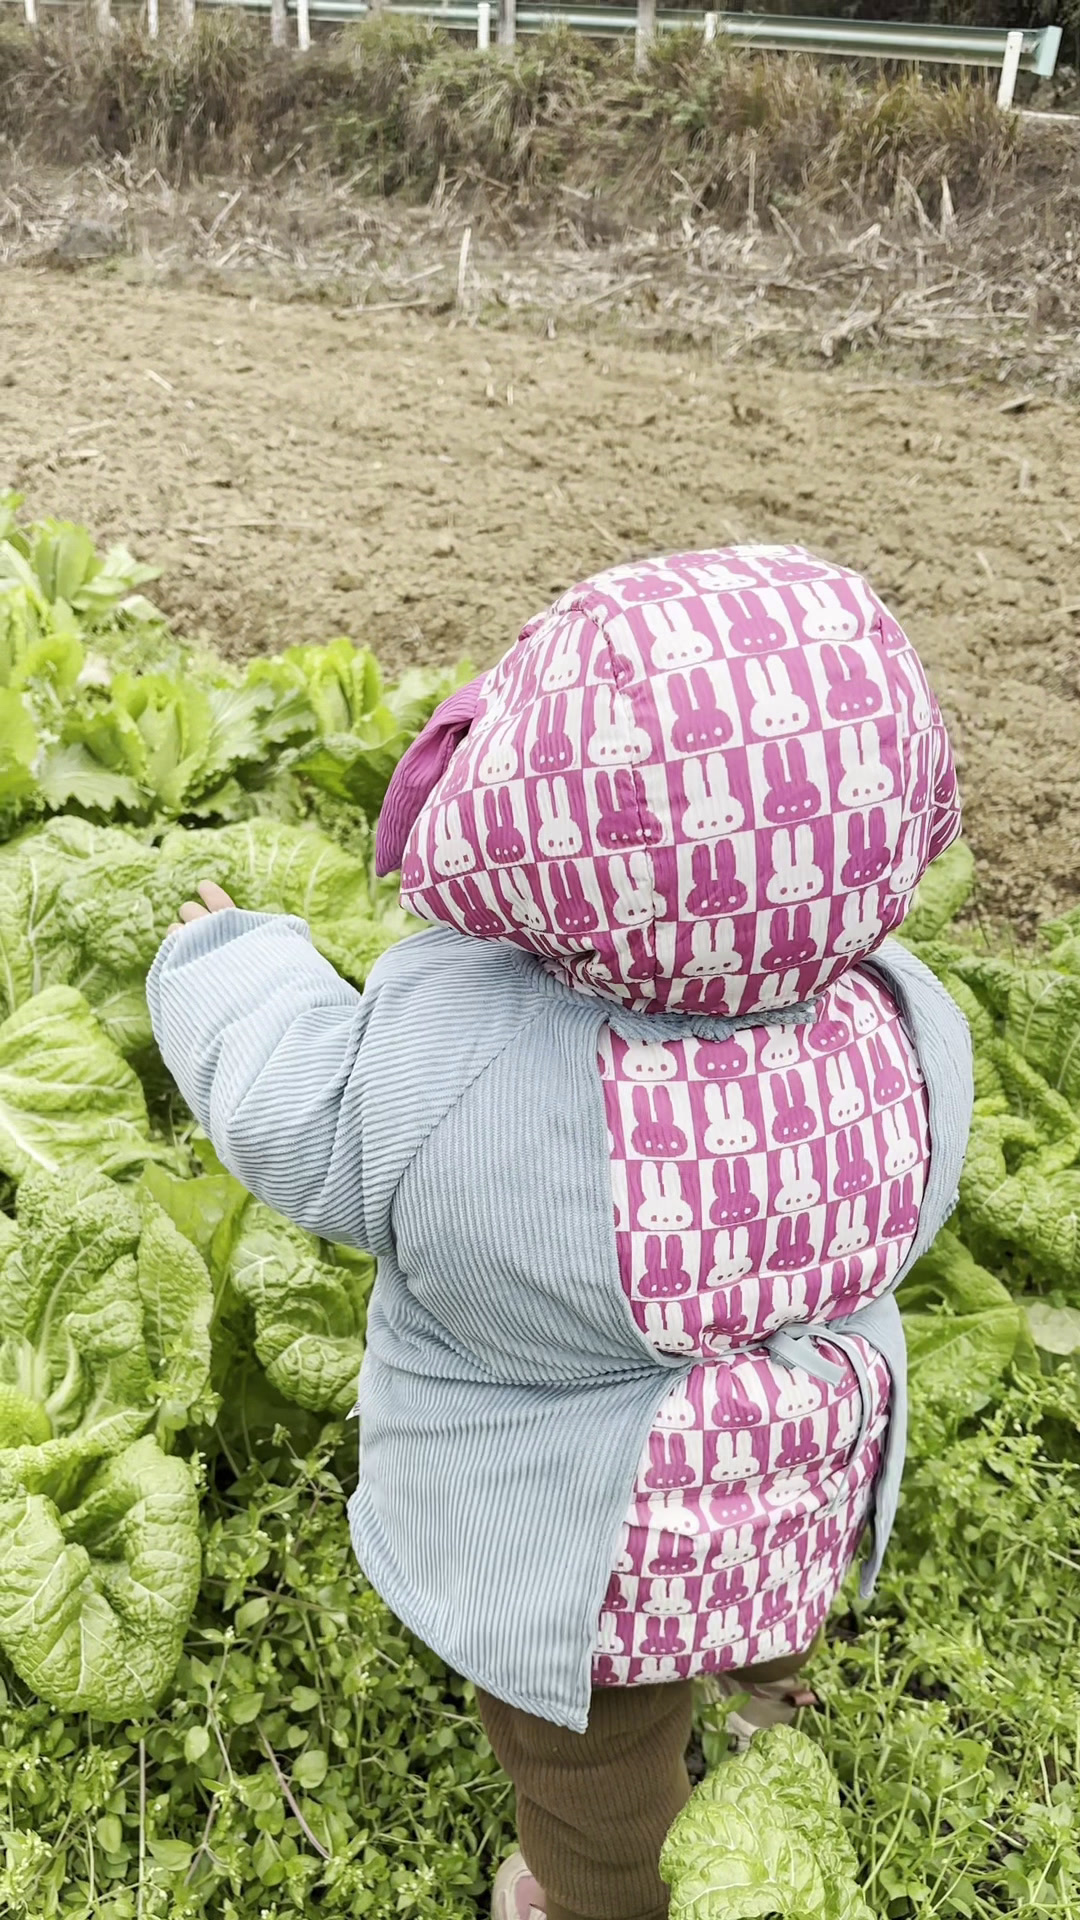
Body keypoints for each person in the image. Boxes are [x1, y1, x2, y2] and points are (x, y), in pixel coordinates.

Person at [149, 546, 972, 1920]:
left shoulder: (463, 1064)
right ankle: (770, 1689)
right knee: (771, 1584)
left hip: (579, 1559)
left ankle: (599, 1896)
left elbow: (300, 1105)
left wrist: (237, 967)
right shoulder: (902, 1023)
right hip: (793, 1476)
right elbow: (922, 1209)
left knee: (595, 1773)